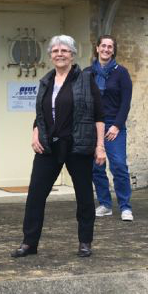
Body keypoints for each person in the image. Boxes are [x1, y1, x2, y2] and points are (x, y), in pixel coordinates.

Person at [11, 35, 106, 259]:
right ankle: (29, 243)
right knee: (35, 195)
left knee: (83, 196)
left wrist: (100, 146)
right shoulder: (46, 81)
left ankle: (85, 242)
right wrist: (35, 132)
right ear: (50, 56)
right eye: (55, 51)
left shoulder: (85, 79)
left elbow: (99, 116)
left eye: (64, 50)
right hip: (49, 146)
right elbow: (41, 114)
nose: (59, 54)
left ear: (72, 54)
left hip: (78, 145)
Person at [90, 35, 134, 221]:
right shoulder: (87, 73)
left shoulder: (121, 73)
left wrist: (116, 125)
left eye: (110, 47)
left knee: (118, 166)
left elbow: (125, 102)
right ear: (97, 48)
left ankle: (125, 206)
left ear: (113, 50)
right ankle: (105, 204)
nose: (106, 49)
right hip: (93, 126)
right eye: (103, 46)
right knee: (96, 167)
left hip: (114, 126)